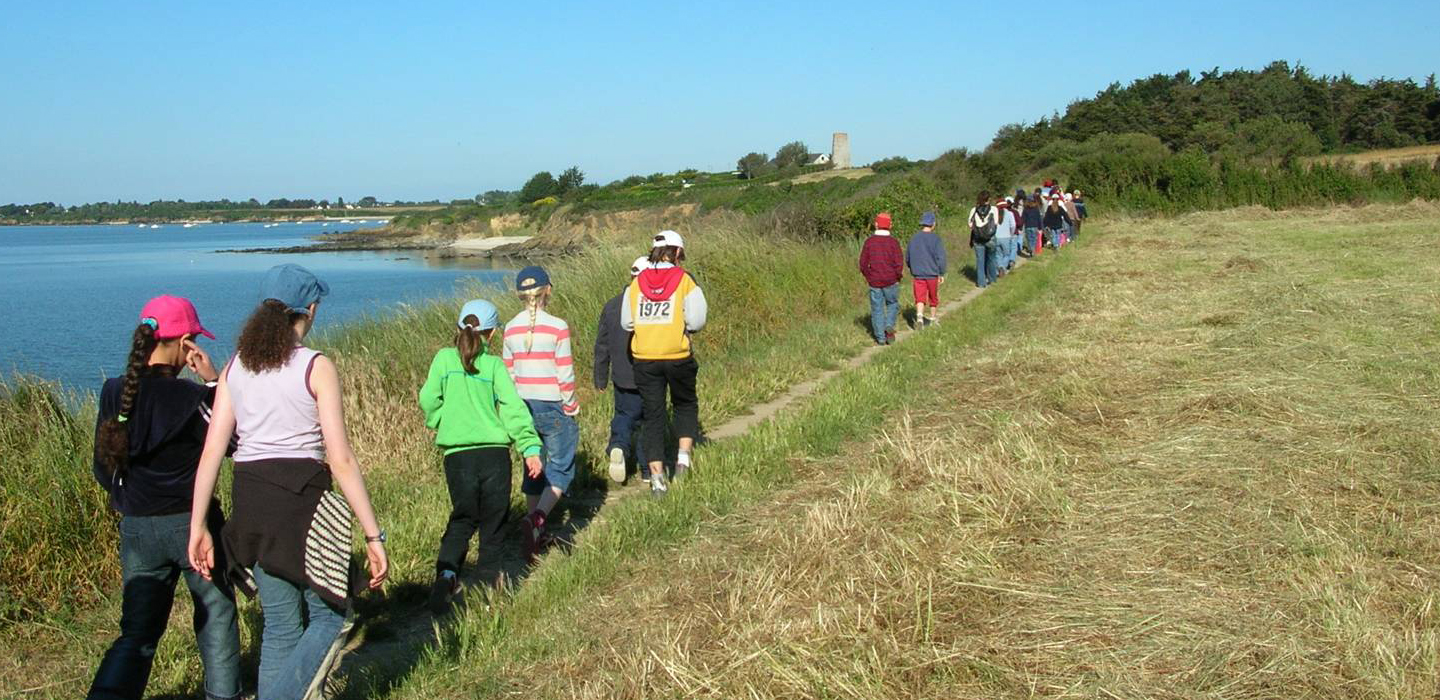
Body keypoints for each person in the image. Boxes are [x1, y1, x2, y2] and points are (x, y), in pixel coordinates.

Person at [188, 264, 388, 700]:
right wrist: (373, 534)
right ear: (310, 309)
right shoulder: (315, 365)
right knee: (331, 616)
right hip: (304, 503)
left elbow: (210, 453)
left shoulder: (236, 367)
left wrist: (198, 526)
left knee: (280, 625)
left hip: (251, 502)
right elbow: (341, 459)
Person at [89, 296, 241, 700]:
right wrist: (213, 382)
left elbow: (102, 468)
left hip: (137, 527)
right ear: (186, 343)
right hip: (194, 527)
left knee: (137, 633)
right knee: (216, 617)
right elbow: (235, 442)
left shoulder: (114, 392)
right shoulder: (191, 400)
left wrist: (129, 497)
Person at [420, 298, 544, 614]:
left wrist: (439, 422)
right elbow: (513, 409)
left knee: (463, 517)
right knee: (494, 521)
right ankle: (491, 591)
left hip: (457, 456)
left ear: (459, 327)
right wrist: (529, 447)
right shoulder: (493, 366)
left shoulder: (444, 360)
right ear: (493, 334)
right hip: (494, 455)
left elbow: (428, 399)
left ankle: (447, 575)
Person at [621, 230, 708, 499]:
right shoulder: (685, 280)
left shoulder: (636, 283)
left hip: (645, 358)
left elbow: (627, 322)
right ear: (678, 252)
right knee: (684, 404)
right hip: (677, 355)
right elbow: (696, 321)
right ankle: (683, 459)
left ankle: (657, 478)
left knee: (653, 415)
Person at [502, 265, 580, 563]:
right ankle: (536, 519)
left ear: (519, 295)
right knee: (561, 468)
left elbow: (508, 374)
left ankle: (534, 529)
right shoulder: (557, 326)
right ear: (548, 290)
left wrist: (510, 411)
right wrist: (571, 405)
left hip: (523, 406)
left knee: (533, 466)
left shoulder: (510, 327)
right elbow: (565, 371)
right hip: (553, 404)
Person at [595, 256, 652, 483]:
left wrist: (600, 378)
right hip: (650, 372)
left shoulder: (612, 305)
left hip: (621, 375)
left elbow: (602, 345)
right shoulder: (654, 304)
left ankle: (618, 445)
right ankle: (648, 468)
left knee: (624, 415)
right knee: (650, 421)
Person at [858, 212, 903, 344]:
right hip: (891, 280)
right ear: (890, 225)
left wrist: (869, 276)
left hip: (874, 281)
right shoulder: (894, 243)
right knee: (893, 304)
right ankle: (889, 324)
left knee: (877, 309)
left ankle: (881, 338)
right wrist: (897, 276)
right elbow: (899, 263)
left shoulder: (869, 242)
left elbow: (862, 264)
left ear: (876, 225)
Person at [905, 211, 946, 328]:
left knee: (920, 297)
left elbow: (908, 257)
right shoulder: (936, 239)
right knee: (933, 297)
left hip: (918, 273)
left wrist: (912, 267)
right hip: (932, 273)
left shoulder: (914, 238)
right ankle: (933, 319)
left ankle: (919, 318)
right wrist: (941, 272)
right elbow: (941, 257)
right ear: (933, 224)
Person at [968, 192, 1000, 287]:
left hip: (978, 239)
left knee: (980, 261)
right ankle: (992, 280)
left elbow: (970, 224)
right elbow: (996, 223)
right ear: (988, 199)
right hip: (990, 238)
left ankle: (981, 282)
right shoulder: (994, 209)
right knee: (991, 259)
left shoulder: (974, 210)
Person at [994, 197, 1019, 273]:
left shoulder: (994, 214)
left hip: (996, 237)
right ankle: (1003, 267)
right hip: (1006, 237)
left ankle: (999, 267)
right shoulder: (1010, 213)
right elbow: (1013, 225)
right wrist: (1011, 234)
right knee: (1006, 255)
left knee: (998, 255)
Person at [1021, 193, 1043, 258]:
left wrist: (1021, 226)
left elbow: (1023, 218)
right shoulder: (1036, 209)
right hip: (1035, 226)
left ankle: (1031, 249)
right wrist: (1040, 227)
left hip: (1028, 226)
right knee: (1034, 239)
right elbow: (1039, 218)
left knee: (1029, 239)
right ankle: (1032, 250)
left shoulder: (1025, 209)